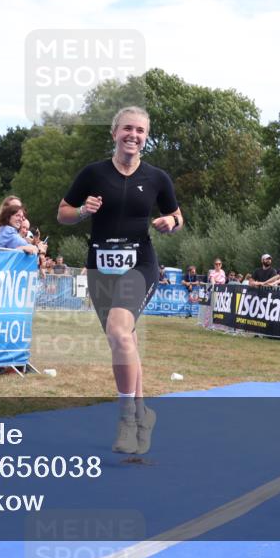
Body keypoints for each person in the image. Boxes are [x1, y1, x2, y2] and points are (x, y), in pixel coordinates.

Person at [57, 105, 182, 455]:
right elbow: (62, 213)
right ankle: (144, 414)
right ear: (114, 133)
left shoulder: (157, 178)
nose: (133, 135)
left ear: (146, 137)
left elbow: (176, 215)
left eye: (140, 131)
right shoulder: (93, 174)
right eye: (127, 128)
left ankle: (127, 419)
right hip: (100, 266)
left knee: (117, 331)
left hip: (139, 264)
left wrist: (170, 223)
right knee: (124, 341)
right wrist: (83, 211)